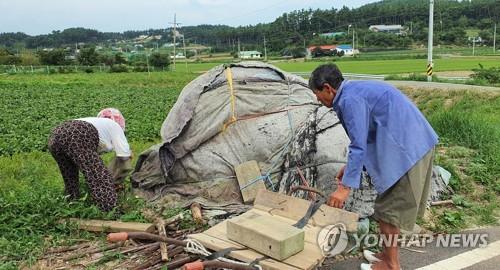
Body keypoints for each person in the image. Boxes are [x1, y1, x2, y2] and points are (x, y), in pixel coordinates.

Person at [309, 64, 438, 270]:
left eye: (316, 94)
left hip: (407, 150)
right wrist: (350, 168)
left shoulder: (349, 100)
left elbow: (358, 145)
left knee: (388, 210)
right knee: (385, 207)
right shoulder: (352, 92)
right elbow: (364, 139)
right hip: (406, 144)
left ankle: (391, 264)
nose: (317, 99)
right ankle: (387, 254)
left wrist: (343, 189)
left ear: (327, 88)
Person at [48, 108, 132, 212]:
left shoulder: (98, 123)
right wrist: (116, 180)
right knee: (99, 175)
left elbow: (86, 155)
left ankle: (71, 205)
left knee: (70, 176)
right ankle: (110, 210)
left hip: (55, 135)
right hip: (77, 132)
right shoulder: (114, 126)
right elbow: (124, 157)